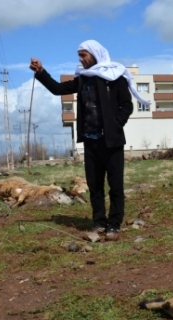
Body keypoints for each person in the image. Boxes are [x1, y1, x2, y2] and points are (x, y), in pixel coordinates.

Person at [30, 40, 150, 241]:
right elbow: (57, 88)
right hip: (91, 142)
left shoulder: (115, 77)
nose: (80, 59)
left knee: (116, 186)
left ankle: (114, 224)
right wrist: (41, 71)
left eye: (83, 55)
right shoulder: (83, 79)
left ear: (94, 54)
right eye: (79, 55)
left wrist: (114, 125)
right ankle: (99, 223)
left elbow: (126, 106)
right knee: (95, 186)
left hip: (111, 143)